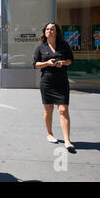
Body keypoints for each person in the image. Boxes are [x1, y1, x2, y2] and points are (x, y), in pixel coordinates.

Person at [32, 22, 75, 153]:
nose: (49, 31)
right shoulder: (40, 47)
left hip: (61, 81)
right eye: (47, 29)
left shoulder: (64, 45)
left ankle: (67, 140)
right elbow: (35, 64)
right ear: (44, 32)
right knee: (48, 109)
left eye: (52, 29)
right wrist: (47, 63)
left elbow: (71, 60)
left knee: (63, 109)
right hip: (47, 82)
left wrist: (62, 62)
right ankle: (49, 133)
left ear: (56, 32)